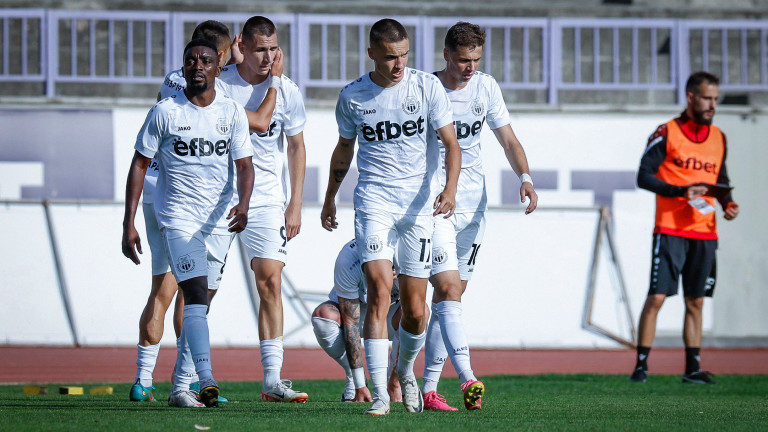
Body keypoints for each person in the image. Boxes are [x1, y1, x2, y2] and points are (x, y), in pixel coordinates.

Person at [130, 20, 280, 405]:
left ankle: (172, 385)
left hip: (217, 219)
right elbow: (139, 163)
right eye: (191, 60)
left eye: (205, 60)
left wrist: (242, 204)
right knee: (190, 292)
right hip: (175, 213)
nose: (198, 66)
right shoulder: (171, 109)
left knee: (193, 298)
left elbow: (245, 165)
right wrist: (127, 222)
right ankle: (205, 378)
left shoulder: (225, 108)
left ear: (217, 63)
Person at [321, 18, 461, 415]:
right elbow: (344, 150)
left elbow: (451, 144)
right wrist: (330, 197)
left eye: (404, 55)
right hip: (374, 202)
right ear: (371, 54)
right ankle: (381, 394)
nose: (398, 64)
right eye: (389, 57)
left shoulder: (427, 87)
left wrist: (450, 189)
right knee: (380, 292)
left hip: (418, 208)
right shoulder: (353, 96)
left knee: (415, 310)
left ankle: (405, 371)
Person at [421, 21, 539, 411]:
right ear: (446, 55)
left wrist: (525, 178)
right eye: (462, 60)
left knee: (449, 299)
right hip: (437, 204)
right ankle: (467, 377)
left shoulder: (486, 87)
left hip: (474, 208)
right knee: (448, 291)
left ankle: (428, 389)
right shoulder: (427, 89)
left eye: (476, 59)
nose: (470, 67)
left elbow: (508, 139)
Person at [216, 15, 309, 403]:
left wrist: (295, 203)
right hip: (219, 199)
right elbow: (259, 122)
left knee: (270, 281)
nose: (269, 57)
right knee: (201, 289)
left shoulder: (288, 90)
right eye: (260, 50)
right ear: (242, 46)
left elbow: (296, 146)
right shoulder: (221, 85)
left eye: (274, 49)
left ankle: (272, 380)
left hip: (267, 199)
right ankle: (187, 377)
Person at [629, 71, 739, 384]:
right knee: (657, 297)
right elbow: (643, 176)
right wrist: (680, 192)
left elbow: (721, 181)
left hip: (705, 232)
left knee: (696, 301)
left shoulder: (719, 138)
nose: (712, 105)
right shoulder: (667, 132)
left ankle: (692, 369)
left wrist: (728, 203)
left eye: (716, 99)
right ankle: (641, 366)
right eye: (707, 98)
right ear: (691, 97)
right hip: (670, 229)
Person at [311, 239, 414, 403]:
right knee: (323, 315)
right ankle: (353, 377)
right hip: (356, 316)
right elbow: (350, 322)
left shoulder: (408, 249)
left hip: (389, 315)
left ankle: (395, 381)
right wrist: (359, 383)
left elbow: (416, 307)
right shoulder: (348, 259)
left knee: (419, 311)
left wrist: (395, 380)